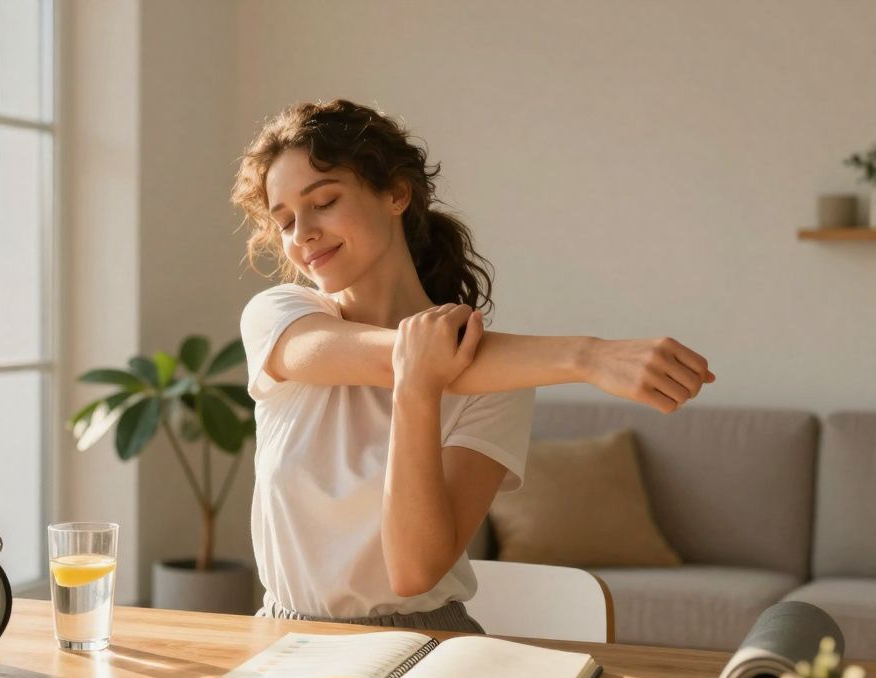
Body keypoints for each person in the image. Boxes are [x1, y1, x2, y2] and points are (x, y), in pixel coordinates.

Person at [232, 99, 715, 632]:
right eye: (284, 221)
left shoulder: (500, 385)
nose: (301, 234)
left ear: (396, 193)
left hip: (427, 639)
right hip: (283, 636)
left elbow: (414, 572)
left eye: (323, 201)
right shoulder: (278, 317)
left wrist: (419, 393)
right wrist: (588, 356)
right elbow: (399, 358)